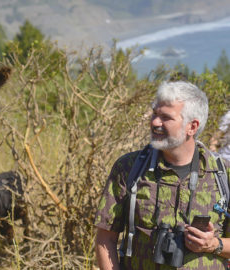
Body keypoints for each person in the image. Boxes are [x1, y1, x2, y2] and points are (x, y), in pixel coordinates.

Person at [94, 81, 230, 270]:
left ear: (192, 126)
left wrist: (214, 244)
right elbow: (105, 238)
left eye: (166, 117)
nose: (155, 122)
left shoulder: (222, 174)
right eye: (155, 114)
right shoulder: (129, 168)